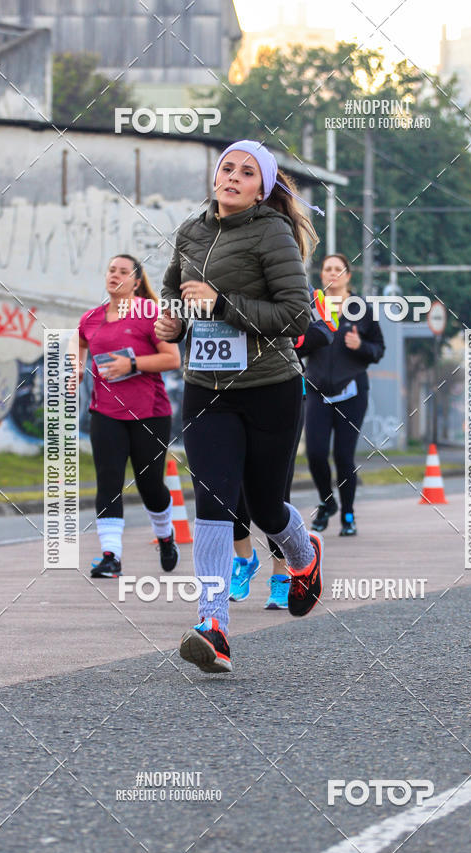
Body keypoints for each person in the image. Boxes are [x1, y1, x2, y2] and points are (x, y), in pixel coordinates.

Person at [155, 139, 324, 674]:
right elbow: (174, 299)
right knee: (214, 501)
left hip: (270, 387)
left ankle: (303, 558)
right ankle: (214, 625)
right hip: (207, 389)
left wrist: (223, 306)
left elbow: (297, 315)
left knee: (266, 506)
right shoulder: (191, 231)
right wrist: (172, 323)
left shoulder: (271, 231)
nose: (231, 177)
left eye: (246, 173)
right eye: (226, 167)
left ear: (263, 188)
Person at [74, 254, 181, 577]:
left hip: (149, 413)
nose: (114, 275)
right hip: (105, 412)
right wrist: (77, 366)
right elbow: (79, 340)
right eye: (111, 270)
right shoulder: (92, 318)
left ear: (136, 282)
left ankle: (165, 536)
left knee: (151, 486)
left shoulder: (151, 315)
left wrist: (131, 365)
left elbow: (172, 358)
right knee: (109, 481)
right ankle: (111, 556)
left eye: (123, 272)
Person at [230, 287, 336, 610]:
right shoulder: (224, 278)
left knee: (274, 491)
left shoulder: (300, 287)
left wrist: (288, 337)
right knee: (231, 487)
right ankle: (244, 559)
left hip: (282, 391)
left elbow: (327, 328)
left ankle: (282, 574)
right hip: (229, 391)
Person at [305, 253, 385, 536]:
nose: (332, 273)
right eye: (328, 269)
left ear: (348, 275)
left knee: (343, 456)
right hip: (316, 391)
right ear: (322, 274)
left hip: (351, 392)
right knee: (315, 453)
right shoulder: (313, 306)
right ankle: (327, 502)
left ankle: (348, 515)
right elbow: (297, 343)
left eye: (338, 269)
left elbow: (378, 349)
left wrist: (360, 345)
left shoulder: (359, 308)